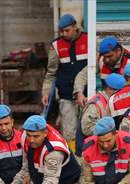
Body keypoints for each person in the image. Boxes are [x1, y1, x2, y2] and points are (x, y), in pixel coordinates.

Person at [67, 73, 126, 184]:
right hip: (88, 154)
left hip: (99, 153)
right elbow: (86, 128)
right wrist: (108, 133)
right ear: (110, 89)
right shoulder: (96, 104)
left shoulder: (107, 102)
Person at [41, 14, 87, 151]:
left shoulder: (88, 40)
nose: (63, 34)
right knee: (69, 132)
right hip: (66, 96)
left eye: (67, 30)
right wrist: (45, 92)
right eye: (61, 31)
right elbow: (51, 73)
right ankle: (73, 159)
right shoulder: (56, 45)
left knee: (87, 128)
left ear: (75, 26)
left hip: (87, 95)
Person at [74, 36, 130, 107]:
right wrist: (79, 93)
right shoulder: (100, 59)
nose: (106, 60)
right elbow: (82, 75)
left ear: (118, 51)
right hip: (106, 104)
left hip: (127, 105)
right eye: (104, 56)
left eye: (110, 56)